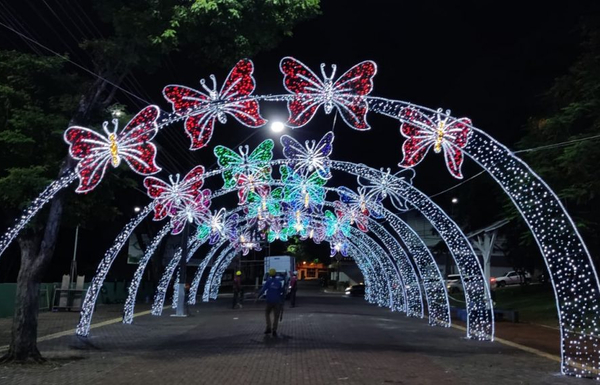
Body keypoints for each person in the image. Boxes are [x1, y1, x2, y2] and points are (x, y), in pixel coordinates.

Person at [257, 268, 284, 336]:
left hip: (269, 301)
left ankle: (268, 327)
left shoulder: (268, 282)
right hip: (277, 301)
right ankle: (274, 329)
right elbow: (281, 292)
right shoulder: (279, 282)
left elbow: (263, 290)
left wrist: (258, 296)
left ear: (270, 274)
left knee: (267, 313)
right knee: (276, 316)